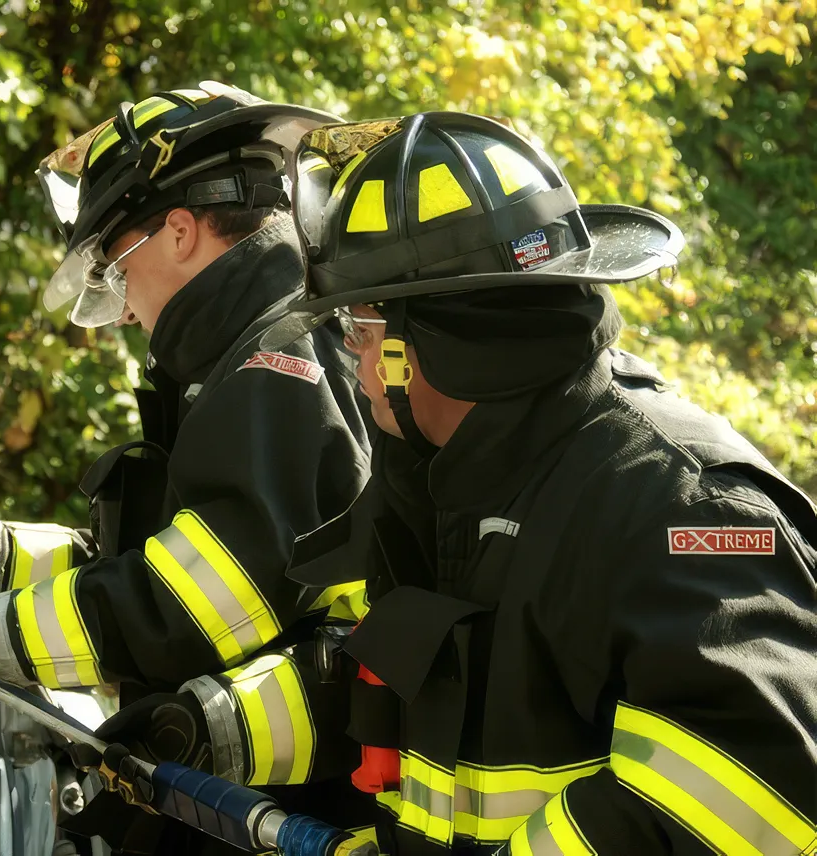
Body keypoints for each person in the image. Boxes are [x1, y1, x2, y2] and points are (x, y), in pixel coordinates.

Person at [275, 112, 817, 854]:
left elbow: (752, 802)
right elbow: (443, 695)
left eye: (360, 335)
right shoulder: (449, 480)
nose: (356, 366)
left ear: (422, 348)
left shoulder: (680, 503)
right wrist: (222, 723)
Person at [0, 83, 380, 852]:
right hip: (235, 795)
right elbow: (161, 554)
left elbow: (198, 603)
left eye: (117, 264)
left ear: (180, 232)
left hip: (292, 810)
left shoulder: (277, 364)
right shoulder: (239, 354)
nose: (118, 305)